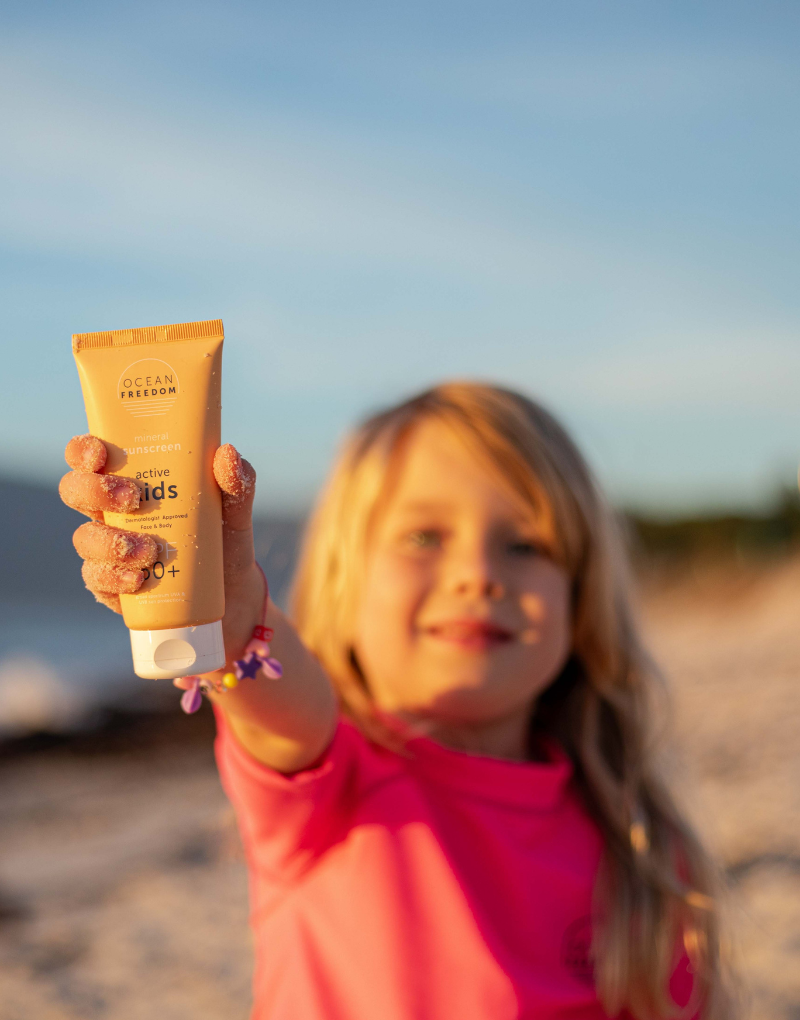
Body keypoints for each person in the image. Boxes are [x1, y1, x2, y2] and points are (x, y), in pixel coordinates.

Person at [59, 382, 734, 1019]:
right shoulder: (334, 779)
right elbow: (284, 711)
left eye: (525, 544)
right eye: (423, 537)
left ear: (581, 599)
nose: (477, 574)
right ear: (342, 588)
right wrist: (233, 618)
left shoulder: (640, 849)